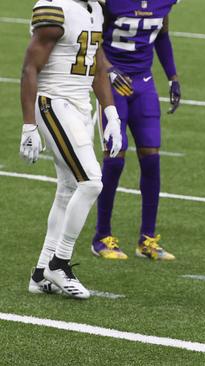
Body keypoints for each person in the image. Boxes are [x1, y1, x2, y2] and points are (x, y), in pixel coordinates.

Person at [21, 0, 122, 299]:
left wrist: (111, 114)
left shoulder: (95, 8)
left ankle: (41, 274)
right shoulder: (54, 8)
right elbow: (30, 68)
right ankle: (59, 262)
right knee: (91, 182)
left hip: (78, 106)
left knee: (67, 189)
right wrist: (29, 125)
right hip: (52, 101)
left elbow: (97, 63)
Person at [91, 0, 181, 260]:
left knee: (152, 158)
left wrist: (173, 77)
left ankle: (147, 240)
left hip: (144, 83)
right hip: (113, 84)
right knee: (115, 157)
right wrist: (108, 69)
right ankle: (101, 236)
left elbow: (162, 34)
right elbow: (93, 39)